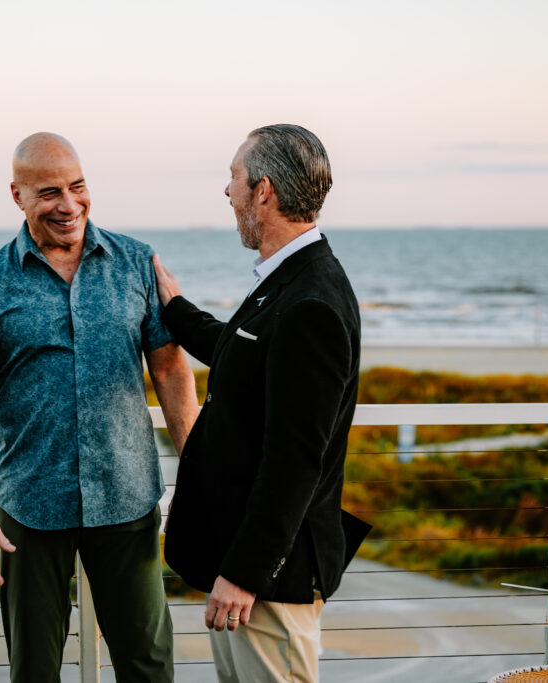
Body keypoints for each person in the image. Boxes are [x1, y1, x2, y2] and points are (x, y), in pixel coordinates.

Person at [0, 132, 199, 683]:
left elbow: (172, 373)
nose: (68, 204)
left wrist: (200, 475)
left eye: (78, 187)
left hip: (126, 497)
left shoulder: (136, 264)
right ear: (17, 195)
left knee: (149, 665)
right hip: (29, 507)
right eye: (49, 192)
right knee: (33, 670)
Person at [152, 124, 366, 683]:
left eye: (234, 178)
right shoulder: (290, 279)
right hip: (249, 573)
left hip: (271, 585)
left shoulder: (311, 302)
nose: (228, 192)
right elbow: (242, 351)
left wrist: (245, 575)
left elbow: (296, 460)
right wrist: (175, 310)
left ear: (263, 191)